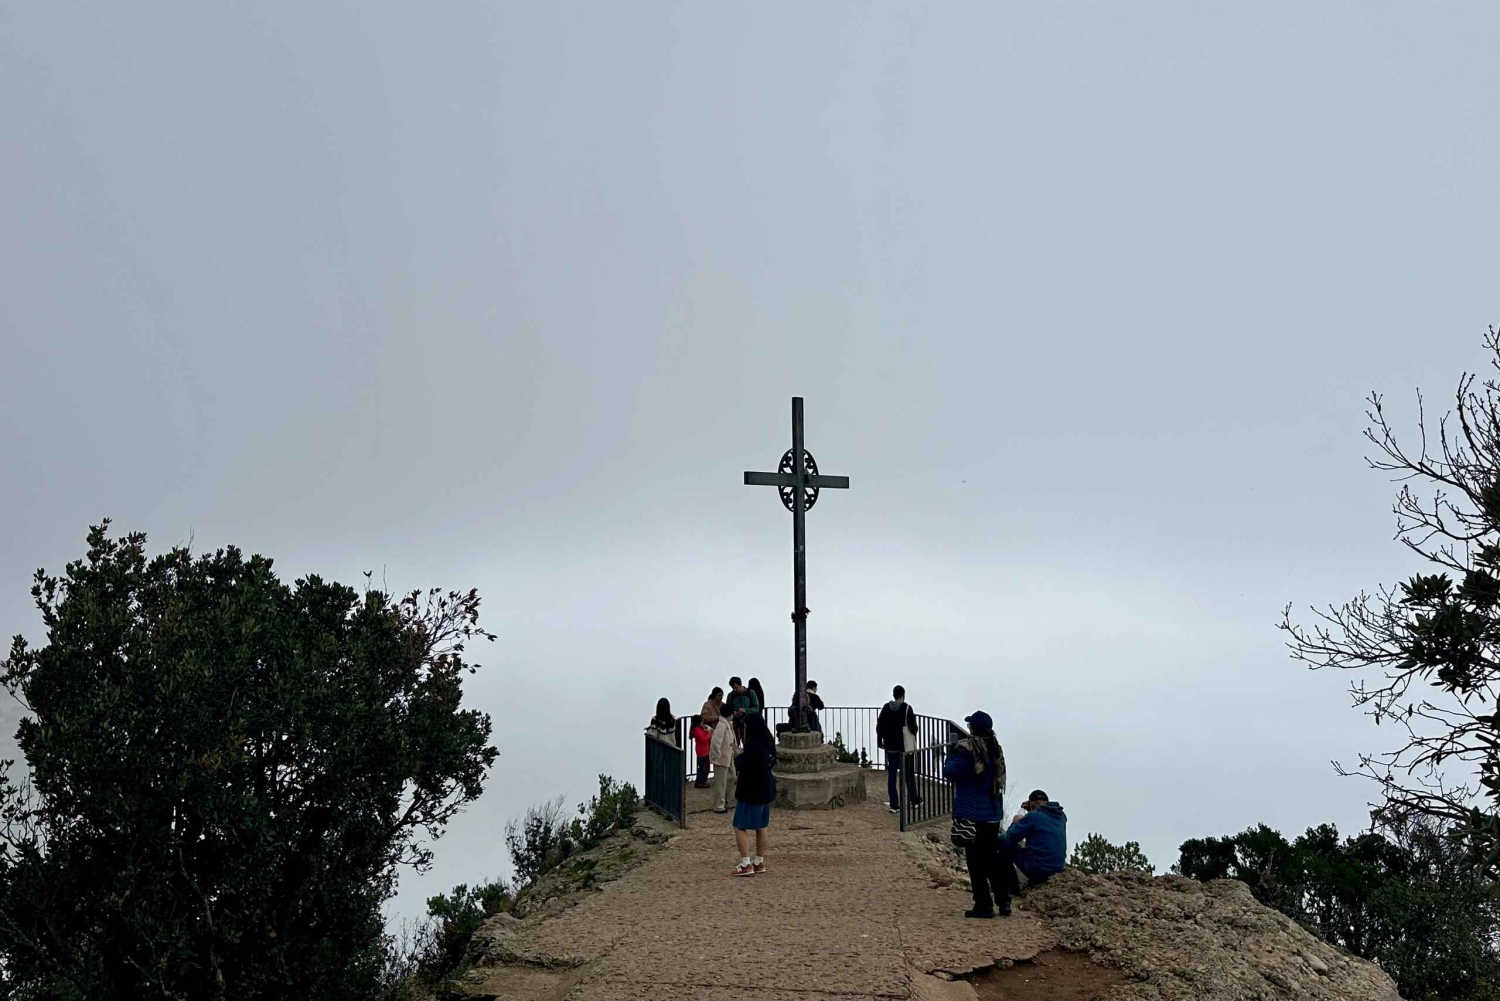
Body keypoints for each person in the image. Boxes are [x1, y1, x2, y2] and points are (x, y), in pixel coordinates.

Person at [943, 710, 1009, 918]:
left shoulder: (967, 750)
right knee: (991, 858)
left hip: (972, 812)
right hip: (993, 812)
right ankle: (1004, 901)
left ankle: (983, 905)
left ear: (973, 729)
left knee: (975, 861)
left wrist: (950, 754)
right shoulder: (995, 748)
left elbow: (951, 773)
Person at [731, 713, 777, 876]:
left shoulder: (753, 745)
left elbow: (747, 766)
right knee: (761, 826)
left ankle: (746, 863)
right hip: (766, 789)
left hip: (751, 791)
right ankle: (759, 861)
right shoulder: (768, 743)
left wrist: (738, 757)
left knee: (739, 826)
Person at [1001, 789, 1067, 894]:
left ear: (1032, 804)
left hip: (1038, 869)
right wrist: (1032, 810)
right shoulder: (1061, 816)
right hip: (1057, 869)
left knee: (1002, 839)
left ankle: (1012, 887)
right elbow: (1042, 824)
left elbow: (1012, 836)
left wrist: (1015, 822)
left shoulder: (1033, 816)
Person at [876, 686, 921, 814]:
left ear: (893, 695)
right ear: (903, 695)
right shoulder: (907, 708)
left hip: (890, 747)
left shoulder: (886, 708)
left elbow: (879, 726)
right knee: (908, 775)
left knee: (892, 776)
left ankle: (894, 804)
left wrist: (880, 741)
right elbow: (913, 728)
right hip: (904, 748)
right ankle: (914, 800)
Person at [709, 712, 738, 813]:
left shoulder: (728, 724)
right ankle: (719, 805)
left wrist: (735, 750)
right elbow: (716, 742)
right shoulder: (722, 725)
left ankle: (724, 799)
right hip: (721, 758)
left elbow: (731, 741)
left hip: (728, 756)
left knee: (732, 777)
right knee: (720, 783)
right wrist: (716, 756)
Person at [690, 714, 712, 787]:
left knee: (703, 767)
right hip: (702, 751)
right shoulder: (697, 730)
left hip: (704, 750)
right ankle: (701, 782)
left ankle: (700, 781)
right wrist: (709, 733)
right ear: (698, 723)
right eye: (702, 722)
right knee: (702, 768)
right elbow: (703, 739)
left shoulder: (699, 729)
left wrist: (705, 731)